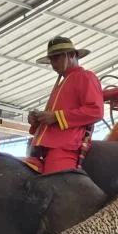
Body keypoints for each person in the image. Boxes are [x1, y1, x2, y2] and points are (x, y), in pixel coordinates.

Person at [25, 36, 104, 175]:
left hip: (65, 147)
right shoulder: (62, 82)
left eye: (57, 58)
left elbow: (96, 111)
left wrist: (56, 117)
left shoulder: (85, 76)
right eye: (51, 60)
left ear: (72, 55)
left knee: (56, 189)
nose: (53, 64)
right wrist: (38, 120)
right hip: (44, 149)